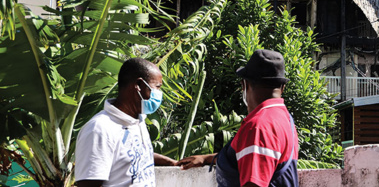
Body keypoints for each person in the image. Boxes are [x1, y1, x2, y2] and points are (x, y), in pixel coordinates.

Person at [177, 49, 299, 187]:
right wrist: (207, 158)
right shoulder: (284, 119)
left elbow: (254, 182)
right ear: (282, 87)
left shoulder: (259, 126)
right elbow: (255, 156)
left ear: (245, 85)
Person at [75, 57, 177, 187]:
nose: (159, 93)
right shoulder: (100, 129)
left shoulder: (137, 121)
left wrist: (171, 163)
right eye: (157, 87)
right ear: (139, 86)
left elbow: (136, 154)